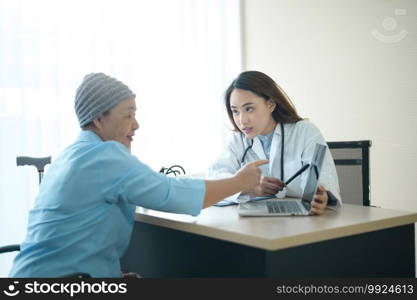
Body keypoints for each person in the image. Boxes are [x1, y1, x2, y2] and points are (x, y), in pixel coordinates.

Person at [9, 73, 267, 278]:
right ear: (99, 119)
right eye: (128, 115)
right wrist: (240, 181)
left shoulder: (72, 154)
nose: (136, 124)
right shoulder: (104, 156)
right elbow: (173, 194)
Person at [208, 71, 341, 214]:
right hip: (255, 225)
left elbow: (323, 177)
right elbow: (215, 179)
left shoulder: (304, 131)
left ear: (271, 104)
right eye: (235, 111)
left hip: (300, 222)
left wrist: (321, 196)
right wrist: (249, 188)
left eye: (249, 109)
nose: (242, 120)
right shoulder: (238, 140)